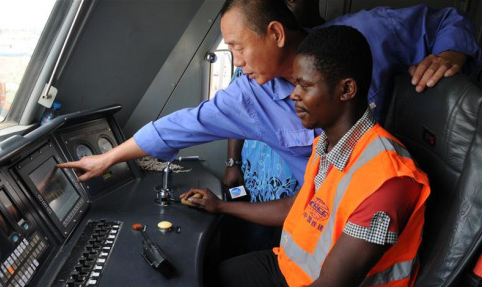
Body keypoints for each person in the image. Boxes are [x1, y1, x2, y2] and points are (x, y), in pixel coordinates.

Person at [139, 25, 430, 287]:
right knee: (196, 283)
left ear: (346, 89)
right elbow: (298, 206)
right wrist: (221, 207)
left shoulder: (389, 180)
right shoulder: (328, 143)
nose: (293, 95)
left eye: (305, 85)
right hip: (291, 270)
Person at [57, 0, 480, 188]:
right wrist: (109, 156)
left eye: (238, 46)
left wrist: (450, 53)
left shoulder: (366, 34)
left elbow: (446, 20)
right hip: (322, 222)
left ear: (275, 33)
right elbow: (180, 125)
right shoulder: (246, 97)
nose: (236, 60)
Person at [223, 0, 482, 253]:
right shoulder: (320, 148)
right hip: (285, 203)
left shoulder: (359, 37)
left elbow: (331, 284)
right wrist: (230, 172)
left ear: (346, 89)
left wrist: (448, 56)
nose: (294, 96)